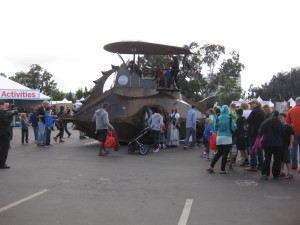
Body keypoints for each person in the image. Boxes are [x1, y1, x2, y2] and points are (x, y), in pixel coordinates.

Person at [207, 105, 236, 174]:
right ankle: (222, 169)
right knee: (225, 154)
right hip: (227, 137)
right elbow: (233, 128)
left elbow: (215, 128)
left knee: (219, 152)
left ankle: (211, 166)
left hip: (219, 137)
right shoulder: (230, 118)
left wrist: (218, 133)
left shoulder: (218, 117)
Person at [259, 111, 284, 180]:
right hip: (278, 143)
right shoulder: (280, 123)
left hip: (267, 143)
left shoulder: (265, 122)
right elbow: (283, 132)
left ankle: (265, 173)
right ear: (278, 115)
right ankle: (276, 174)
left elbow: (260, 132)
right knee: (277, 159)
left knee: (267, 158)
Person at [245, 99, 265, 171]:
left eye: (251, 104)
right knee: (259, 149)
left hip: (253, 132)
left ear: (255, 103)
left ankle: (253, 165)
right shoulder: (262, 111)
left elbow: (248, 121)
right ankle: (261, 164)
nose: (250, 105)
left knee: (252, 149)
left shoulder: (254, 112)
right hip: (260, 132)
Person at [279, 113, 294, 179]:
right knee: (281, 160)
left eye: (281, 117)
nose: (280, 119)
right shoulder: (278, 126)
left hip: (286, 146)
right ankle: (281, 172)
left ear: (285, 118)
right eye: (279, 118)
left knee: (287, 160)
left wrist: (290, 144)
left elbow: (292, 136)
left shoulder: (288, 127)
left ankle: (290, 173)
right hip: (279, 146)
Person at [286, 96, 300, 169]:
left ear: (295, 102)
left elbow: (287, 121)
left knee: (294, 148)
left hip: (294, 131)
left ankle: (294, 164)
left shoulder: (290, 110)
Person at [0, 101, 14, 169]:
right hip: (3, 133)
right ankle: (2, 164)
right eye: (3, 106)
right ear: (1, 106)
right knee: (4, 149)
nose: (4, 107)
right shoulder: (2, 113)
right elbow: (6, 122)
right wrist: (11, 116)